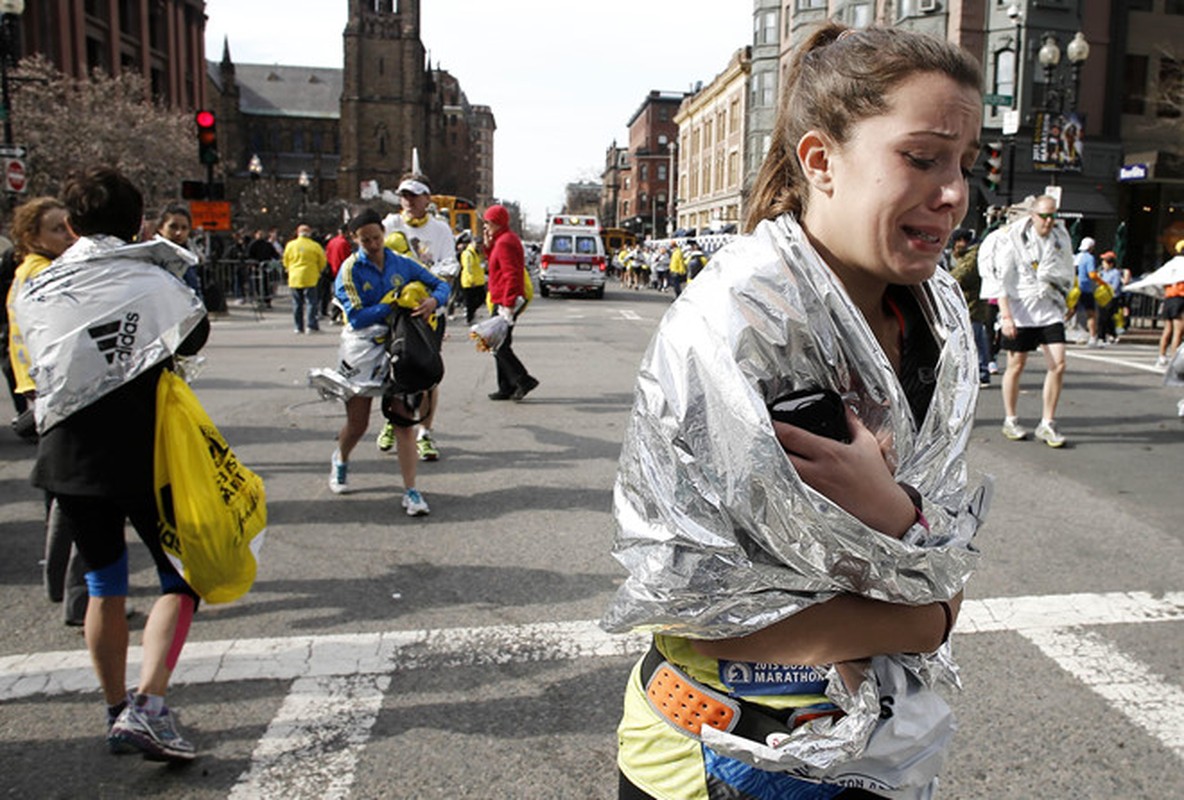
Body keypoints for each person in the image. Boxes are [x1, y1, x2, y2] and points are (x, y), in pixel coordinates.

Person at [602, 24, 986, 800]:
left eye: (964, 163)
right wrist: (926, 604)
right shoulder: (731, 324)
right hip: (726, 755)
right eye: (921, 157)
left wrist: (892, 513)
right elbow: (703, 604)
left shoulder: (935, 314)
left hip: (881, 743)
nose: (952, 192)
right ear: (821, 161)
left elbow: (945, 539)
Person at [12, 166, 209, 761]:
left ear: (70, 224)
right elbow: (193, 335)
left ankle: (115, 708)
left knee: (104, 585)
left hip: (68, 450)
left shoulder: (37, 285)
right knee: (182, 578)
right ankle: (148, 706)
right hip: (143, 448)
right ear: (138, 220)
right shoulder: (148, 275)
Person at [328, 208, 449, 514]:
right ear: (355, 240)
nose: (373, 244)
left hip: (400, 346)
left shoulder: (401, 262)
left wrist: (433, 301)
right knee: (358, 423)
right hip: (362, 349)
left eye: (376, 237)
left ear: (383, 233)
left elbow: (440, 285)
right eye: (365, 240)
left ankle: (411, 491)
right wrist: (393, 303)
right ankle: (341, 458)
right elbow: (355, 317)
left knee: (403, 422)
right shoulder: (350, 269)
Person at [5, 197, 85, 623]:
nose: (67, 236)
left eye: (69, 228)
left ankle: (62, 585)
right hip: (55, 393)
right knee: (78, 495)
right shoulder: (43, 274)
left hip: (39, 390)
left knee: (62, 494)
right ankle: (78, 596)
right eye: (57, 229)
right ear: (31, 236)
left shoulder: (27, 273)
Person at [377, 174, 458, 461]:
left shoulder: (440, 229)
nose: (408, 201)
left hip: (429, 311)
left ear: (428, 198)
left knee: (426, 375)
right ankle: (392, 421)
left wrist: (432, 298)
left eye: (414, 195)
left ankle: (425, 432)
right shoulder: (390, 225)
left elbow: (450, 266)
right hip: (396, 311)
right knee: (394, 369)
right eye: (404, 195)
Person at [996, 195, 1073, 447]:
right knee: (1016, 365)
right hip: (1021, 310)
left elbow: (1066, 271)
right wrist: (1006, 316)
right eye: (1044, 216)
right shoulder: (1014, 239)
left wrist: (1067, 299)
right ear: (1033, 215)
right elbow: (1002, 280)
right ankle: (1010, 418)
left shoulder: (1060, 239)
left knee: (1058, 364)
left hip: (1049, 309)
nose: (1049, 221)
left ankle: (1047, 423)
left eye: (1053, 215)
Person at [483, 204, 538, 401]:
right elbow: (495, 266)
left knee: (497, 344)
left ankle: (522, 379)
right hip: (502, 298)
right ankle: (506, 386)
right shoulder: (502, 240)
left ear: (497, 223)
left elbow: (511, 274)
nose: (486, 227)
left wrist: (507, 304)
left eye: (488, 223)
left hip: (505, 300)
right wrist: (488, 246)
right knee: (500, 343)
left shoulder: (505, 242)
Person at [948, 229, 991, 386]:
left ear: (961, 241)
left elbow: (959, 276)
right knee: (974, 338)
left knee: (975, 339)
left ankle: (981, 371)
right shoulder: (971, 254)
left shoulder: (973, 256)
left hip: (972, 304)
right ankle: (979, 370)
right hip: (972, 303)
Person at [282, 223, 326, 334]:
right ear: (309, 233)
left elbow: (285, 260)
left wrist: (289, 269)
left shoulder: (290, 245)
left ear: (298, 233)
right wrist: (319, 270)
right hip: (310, 276)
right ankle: (311, 326)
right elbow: (322, 261)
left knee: (297, 303)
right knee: (311, 302)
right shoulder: (314, 246)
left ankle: (298, 326)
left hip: (295, 276)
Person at [154, 204, 203, 297]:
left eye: (184, 228)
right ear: (160, 228)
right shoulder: (150, 257)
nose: (179, 233)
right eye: (173, 227)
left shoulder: (190, 259)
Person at [1156, 240, 1184, 369]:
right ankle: (1174, 359)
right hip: (1180, 298)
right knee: (1178, 331)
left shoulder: (1171, 264)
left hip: (1168, 298)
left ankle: (1161, 357)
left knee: (1167, 330)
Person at [1073, 236, 1100, 347]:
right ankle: (1093, 338)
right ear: (1091, 247)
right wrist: (1101, 282)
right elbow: (1092, 274)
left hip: (1074, 288)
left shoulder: (1076, 257)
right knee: (1091, 314)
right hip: (1085, 288)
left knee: (1070, 312)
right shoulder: (1089, 258)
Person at [324, 224, 353, 324]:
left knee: (337, 292)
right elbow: (347, 258)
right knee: (343, 294)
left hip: (333, 269)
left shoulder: (332, 242)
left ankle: (335, 314)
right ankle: (335, 313)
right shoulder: (344, 243)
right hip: (342, 270)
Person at [458, 231, 487, 324]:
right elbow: (468, 268)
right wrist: (471, 280)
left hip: (478, 280)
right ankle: (469, 318)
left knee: (481, 297)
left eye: (480, 244)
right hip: (470, 282)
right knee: (470, 301)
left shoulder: (477, 253)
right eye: (477, 243)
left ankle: (471, 314)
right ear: (472, 243)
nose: (478, 246)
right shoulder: (468, 253)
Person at [1096, 250, 1123, 344]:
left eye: (1105, 262)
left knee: (1106, 317)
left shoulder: (1115, 273)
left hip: (1112, 297)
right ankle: (1104, 335)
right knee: (1101, 317)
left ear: (1110, 263)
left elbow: (1114, 287)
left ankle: (1107, 335)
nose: (1103, 264)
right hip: (1102, 297)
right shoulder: (1102, 272)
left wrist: (1105, 286)